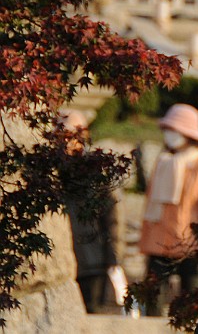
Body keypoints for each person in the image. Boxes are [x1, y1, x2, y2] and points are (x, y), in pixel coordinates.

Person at [139, 103, 198, 316]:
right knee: (152, 302)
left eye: (174, 129)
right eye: (167, 129)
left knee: (192, 306)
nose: (169, 134)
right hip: (157, 242)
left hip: (191, 245)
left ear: (189, 133)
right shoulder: (163, 162)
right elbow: (149, 203)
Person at [58, 110, 122, 313]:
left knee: (93, 313)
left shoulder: (95, 172)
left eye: (71, 136)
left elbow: (112, 219)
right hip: (63, 261)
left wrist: (114, 258)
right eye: (61, 137)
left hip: (92, 259)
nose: (66, 142)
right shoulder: (50, 172)